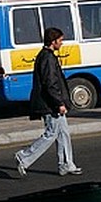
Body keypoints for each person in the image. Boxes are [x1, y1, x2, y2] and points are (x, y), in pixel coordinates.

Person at [14, 27, 83, 177]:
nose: (62, 43)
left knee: (63, 133)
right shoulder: (48, 58)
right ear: (53, 42)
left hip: (51, 103)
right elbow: (50, 83)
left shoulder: (47, 56)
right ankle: (24, 156)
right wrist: (59, 103)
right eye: (60, 41)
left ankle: (66, 164)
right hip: (50, 104)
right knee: (51, 133)